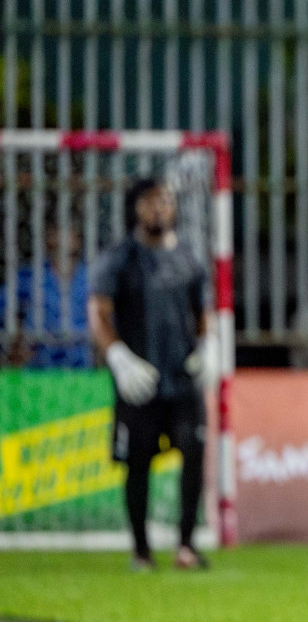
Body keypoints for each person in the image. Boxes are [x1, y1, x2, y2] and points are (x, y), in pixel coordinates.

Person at [89, 178, 217, 572]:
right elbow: (99, 311)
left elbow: (203, 315)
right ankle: (141, 550)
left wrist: (204, 350)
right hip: (139, 379)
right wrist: (117, 356)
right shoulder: (120, 258)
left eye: (166, 200)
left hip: (182, 379)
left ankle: (186, 546)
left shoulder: (189, 259)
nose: (160, 208)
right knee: (138, 461)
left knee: (193, 453)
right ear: (137, 209)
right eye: (151, 202)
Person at [2, 222, 93, 368]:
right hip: (38, 366)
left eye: (70, 229)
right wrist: (16, 342)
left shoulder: (92, 277)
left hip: (83, 367)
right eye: (59, 230)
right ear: (49, 239)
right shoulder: (28, 276)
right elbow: (5, 310)